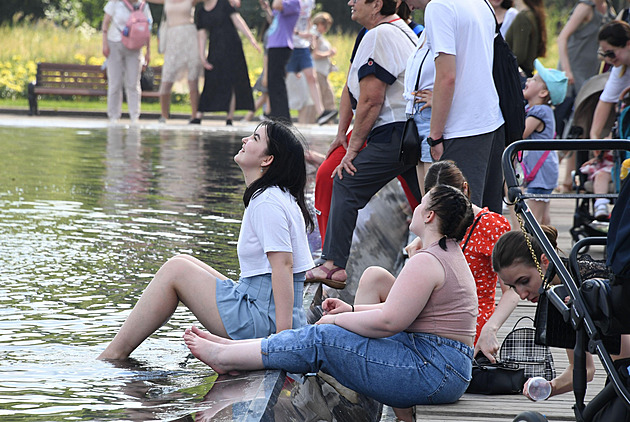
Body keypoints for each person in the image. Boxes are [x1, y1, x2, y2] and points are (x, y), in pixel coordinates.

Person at [183, 184, 477, 422]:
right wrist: (349, 311)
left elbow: (390, 321)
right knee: (326, 333)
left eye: (422, 202)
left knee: (322, 338)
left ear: (429, 215)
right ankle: (232, 349)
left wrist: (337, 320)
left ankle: (226, 357)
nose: (415, 206)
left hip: (433, 370)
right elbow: (401, 312)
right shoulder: (445, 253)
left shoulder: (428, 260)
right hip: (442, 366)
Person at [97, 120, 315, 360]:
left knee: (176, 270)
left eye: (255, 138)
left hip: (263, 321)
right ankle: (114, 353)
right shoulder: (277, 196)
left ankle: (112, 355)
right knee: (182, 260)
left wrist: (281, 342)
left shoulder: (267, 201)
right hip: (265, 308)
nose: (245, 140)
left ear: (267, 160)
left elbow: (284, 266)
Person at [305, 0, 421, 288]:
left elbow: (371, 99)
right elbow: (352, 89)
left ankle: (332, 265)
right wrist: (341, 134)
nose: (350, 3)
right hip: (408, 135)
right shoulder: (401, 31)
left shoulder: (380, 35)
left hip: (393, 134)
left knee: (345, 180)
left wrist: (353, 150)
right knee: (425, 201)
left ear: (377, 4)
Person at [484, 228, 630, 399]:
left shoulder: (589, 289)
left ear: (544, 261)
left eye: (524, 281)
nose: (522, 294)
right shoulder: (560, 295)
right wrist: (547, 388)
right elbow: (584, 369)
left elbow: (623, 361)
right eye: (513, 287)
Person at [382, 161, 511, 348]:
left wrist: (491, 328)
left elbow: (512, 289)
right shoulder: (431, 225)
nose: (443, 212)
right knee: (374, 279)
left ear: (464, 190)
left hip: (468, 321)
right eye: (437, 205)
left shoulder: (491, 226)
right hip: (429, 308)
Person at [417, 0, 505, 214]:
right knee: (487, 215)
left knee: (457, 219)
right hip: (491, 120)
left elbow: (447, 76)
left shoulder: (439, 7)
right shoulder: (481, 3)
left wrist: (435, 136)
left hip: (462, 127)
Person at [587, 20, 630, 219]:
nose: (608, 58)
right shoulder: (620, 69)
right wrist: (595, 135)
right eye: (604, 54)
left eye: (611, 53)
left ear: (628, 45)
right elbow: (605, 101)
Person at [554, 0, 615, 138]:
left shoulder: (609, 11)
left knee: (580, 122)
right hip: (573, 71)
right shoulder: (586, 6)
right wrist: (567, 70)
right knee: (566, 120)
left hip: (590, 74)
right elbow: (562, 37)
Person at [195, 0, 261, 126]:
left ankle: (229, 117)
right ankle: (199, 114)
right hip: (215, 49)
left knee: (232, 81)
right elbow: (202, 35)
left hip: (232, 47)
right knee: (211, 79)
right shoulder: (201, 11)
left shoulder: (224, 3)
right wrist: (202, 56)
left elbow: (237, 20)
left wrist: (251, 39)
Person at [519, 60, 568, 225]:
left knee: (532, 219)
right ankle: (548, 249)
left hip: (540, 172)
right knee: (543, 218)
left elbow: (521, 134)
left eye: (534, 80)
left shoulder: (539, 111)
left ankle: (532, 249)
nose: (527, 81)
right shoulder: (537, 110)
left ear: (543, 92)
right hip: (543, 170)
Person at [147, 0, 203, 124]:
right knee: (167, 77)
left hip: (189, 37)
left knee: (192, 78)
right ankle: (164, 115)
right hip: (172, 39)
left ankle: (195, 116)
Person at [102, 0, 153, 124]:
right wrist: (104, 44)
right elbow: (105, 23)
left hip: (135, 47)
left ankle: (134, 116)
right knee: (115, 82)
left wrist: (148, 51)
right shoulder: (115, 3)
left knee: (133, 83)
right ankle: (113, 116)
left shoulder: (143, 6)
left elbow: (147, 29)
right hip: (115, 44)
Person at [403, 29, 433, 194]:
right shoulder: (425, 31)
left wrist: (440, 98)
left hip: (429, 116)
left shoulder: (442, 24)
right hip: (416, 115)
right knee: (426, 200)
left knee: (433, 199)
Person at [266, 0, 301, 122]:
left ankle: (282, 117)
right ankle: (276, 114)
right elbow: (273, 20)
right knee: (273, 82)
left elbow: (276, 5)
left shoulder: (293, 2)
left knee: (277, 81)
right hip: (275, 44)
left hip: (282, 45)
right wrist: (266, 8)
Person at [505, 0, 547, 78]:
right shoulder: (532, 13)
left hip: (518, 76)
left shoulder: (523, 17)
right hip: (526, 73)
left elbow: (519, 56)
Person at [311, 12, 338, 125]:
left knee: (327, 100)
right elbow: (314, 54)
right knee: (328, 101)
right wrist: (329, 53)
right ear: (320, 23)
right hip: (318, 71)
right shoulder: (315, 35)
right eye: (325, 25)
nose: (326, 29)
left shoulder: (318, 35)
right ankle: (329, 125)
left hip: (323, 71)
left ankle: (328, 124)